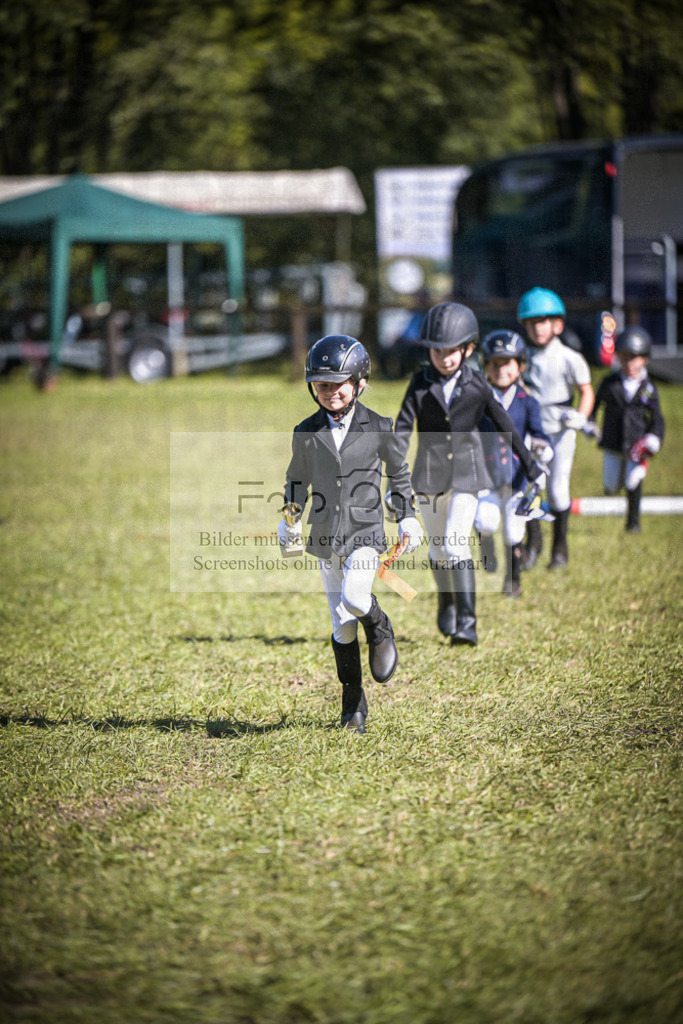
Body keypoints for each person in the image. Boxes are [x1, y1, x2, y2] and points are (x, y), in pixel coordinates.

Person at [280, 334, 423, 734]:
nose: (330, 393)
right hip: (326, 538)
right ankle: (353, 705)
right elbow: (296, 480)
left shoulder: (379, 426)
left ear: (359, 384)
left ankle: (379, 625)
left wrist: (407, 515)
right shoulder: (305, 430)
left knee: (356, 596)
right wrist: (289, 518)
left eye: (339, 384)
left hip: (365, 533)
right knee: (341, 625)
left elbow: (398, 473)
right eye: (322, 385)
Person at [394, 302, 544, 645]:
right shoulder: (419, 384)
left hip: (466, 476)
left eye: (452, 351)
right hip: (428, 476)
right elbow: (402, 430)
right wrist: (394, 476)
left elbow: (506, 425)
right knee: (437, 550)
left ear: (468, 349)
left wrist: (531, 465)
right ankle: (446, 602)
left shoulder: (477, 384)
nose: (444, 358)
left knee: (455, 544)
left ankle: (467, 622)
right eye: (437, 351)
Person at [517, 287, 594, 569]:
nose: (538, 328)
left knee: (558, 489)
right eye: (532, 323)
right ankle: (532, 543)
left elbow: (586, 391)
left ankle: (559, 547)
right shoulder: (522, 357)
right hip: (532, 433)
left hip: (560, 433)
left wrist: (581, 417)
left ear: (557, 324)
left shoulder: (570, 358)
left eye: (544, 321)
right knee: (530, 487)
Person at [474, 329, 553, 598]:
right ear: (485, 366)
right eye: (494, 363)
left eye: (506, 363)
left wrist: (543, 448)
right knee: (485, 522)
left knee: (513, 530)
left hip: (518, 478)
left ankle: (513, 580)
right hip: (487, 476)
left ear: (520, 366)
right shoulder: (478, 400)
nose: (500, 369)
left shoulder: (527, 401)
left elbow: (539, 433)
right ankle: (484, 543)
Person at [589, 326, 665, 533]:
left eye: (634, 358)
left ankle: (633, 523)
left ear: (644, 359)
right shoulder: (609, 383)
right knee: (611, 486)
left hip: (636, 444)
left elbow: (657, 418)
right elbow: (595, 406)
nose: (629, 363)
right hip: (613, 442)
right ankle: (615, 485)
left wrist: (654, 438)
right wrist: (590, 422)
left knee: (633, 481)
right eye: (624, 358)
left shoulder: (648, 388)